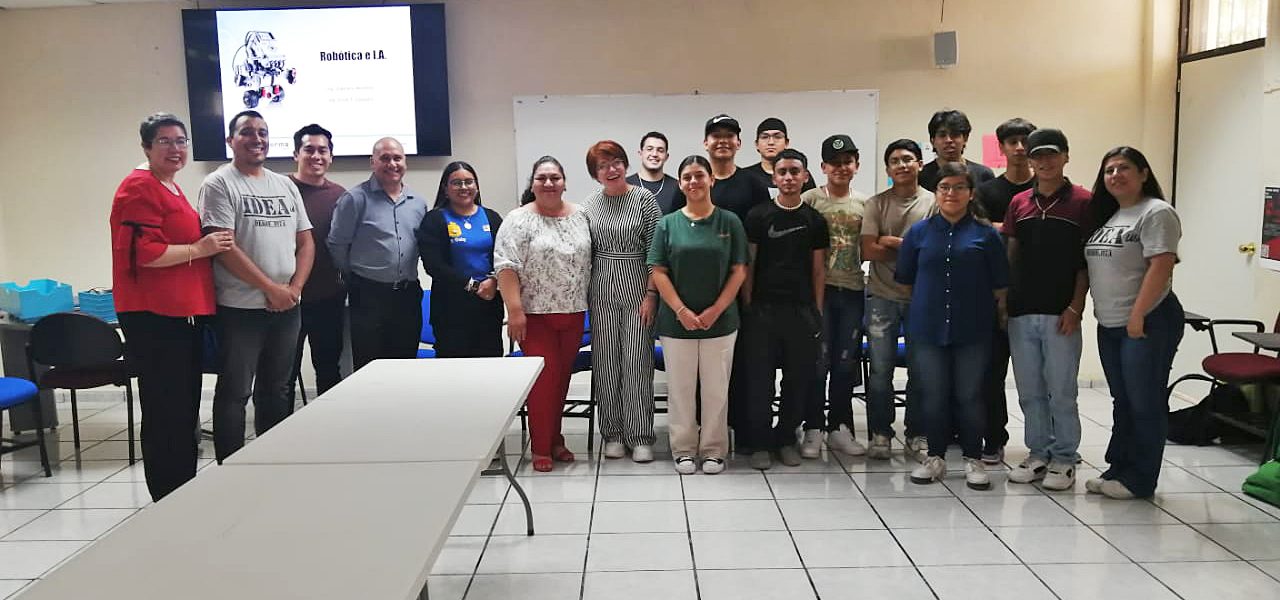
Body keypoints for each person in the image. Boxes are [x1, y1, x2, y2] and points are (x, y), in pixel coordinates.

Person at [111, 113, 234, 500]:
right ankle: (167, 493)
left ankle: (182, 488)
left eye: (181, 141)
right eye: (164, 141)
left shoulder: (170, 187)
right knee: (166, 410)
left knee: (182, 409)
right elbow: (142, 253)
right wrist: (200, 248)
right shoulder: (139, 187)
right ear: (146, 147)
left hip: (180, 315)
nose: (175, 148)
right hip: (154, 316)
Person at [199, 110, 314, 462]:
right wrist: (270, 288)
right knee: (235, 392)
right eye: (247, 132)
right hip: (240, 309)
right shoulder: (219, 184)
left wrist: (294, 288)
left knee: (277, 389)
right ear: (230, 140)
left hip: (288, 307)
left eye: (262, 132)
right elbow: (223, 247)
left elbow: (306, 242)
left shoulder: (284, 185)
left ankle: (270, 462)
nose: (257, 138)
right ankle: (231, 466)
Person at [898, 163, 1009, 490]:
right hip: (927, 328)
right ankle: (935, 457)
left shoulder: (986, 235)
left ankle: (973, 458)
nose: (951, 193)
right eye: (945, 187)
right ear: (936, 192)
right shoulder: (918, 233)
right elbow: (906, 281)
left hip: (973, 329)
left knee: (970, 395)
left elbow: (1000, 285)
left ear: (971, 193)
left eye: (959, 187)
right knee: (934, 395)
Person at [1084, 147, 1184, 499]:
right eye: (1109, 170)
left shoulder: (1156, 212)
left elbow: (1161, 265)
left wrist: (1138, 315)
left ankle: (1140, 480)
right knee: (1122, 400)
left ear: (1143, 173)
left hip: (1148, 320)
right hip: (1111, 323)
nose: (1115, 175)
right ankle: (1119, 469)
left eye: (1124, 168)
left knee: (1145, 401)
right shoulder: (1111, 215)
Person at [1003, 128, 1092, 491]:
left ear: (1066, 156)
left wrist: (1075, 307)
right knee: (1029, 391)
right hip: (1021, 311)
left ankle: (1065, 457)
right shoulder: (1019, 203)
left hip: (1061, 313)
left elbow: (1086, 263)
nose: (1045, 162)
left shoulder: (1084, 202)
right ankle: (1038, 452)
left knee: (1062, 390)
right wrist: (1004, 301)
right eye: (1037, 156)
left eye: (1052, 154)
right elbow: (1011, 254)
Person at [649, 155, 748, 475]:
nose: (694, 182)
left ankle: (714, 450)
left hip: (721, 322)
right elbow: (658, 271)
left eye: (699, 176)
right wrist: (681, 310)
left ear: (711, 180)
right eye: (687, 177)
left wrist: (715, 310)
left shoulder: (729, 222)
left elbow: (739, 270)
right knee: (680, 390)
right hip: (676, 323)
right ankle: (683, 449)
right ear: (680, 184)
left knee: (716, 390)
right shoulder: (668, 223)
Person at [495, 156, 592, 473]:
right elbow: (506, 267)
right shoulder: (517, 220)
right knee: (542, 383)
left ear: (564, 182)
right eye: (542, 178)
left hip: (573, 313)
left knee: (561, 380)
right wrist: (515, 311)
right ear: (533, 184)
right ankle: (540, 447)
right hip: (534, 317)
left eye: (554, 178)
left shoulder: (581, 215)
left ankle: (555, 439)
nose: (549, 183)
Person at [740, 149, 829, 470]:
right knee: (759, 381)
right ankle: (761, 443)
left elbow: (818, 271)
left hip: (801, 312)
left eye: (794, 171)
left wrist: (816, 312)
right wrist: (749, 307)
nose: (789, 177)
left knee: (797, 379)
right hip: (762, 311)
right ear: (774, 178)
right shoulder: (758, 216)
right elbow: (748, 266)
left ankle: (786, 439)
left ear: (805, 176)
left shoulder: (815, 220)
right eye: (783, 172)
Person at [582, 140, 662, 462]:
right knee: (605, 363)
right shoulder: (589, 205)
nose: (611, 169)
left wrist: (651, 294)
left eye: (615, 162)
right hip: (601, 288)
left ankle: (640, 434)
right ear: (595, 174)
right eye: (602, 166)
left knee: (637, 362)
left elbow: (657, 252)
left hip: (638, 286)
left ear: (625, 164)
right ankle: (612, 433)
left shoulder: (644, 200)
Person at [861, 139, 936, 461]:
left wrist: (891, 242)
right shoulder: (876, 204)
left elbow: (933, 251)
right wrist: (911, 246)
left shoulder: (934, 202)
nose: (902, 165)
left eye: (908, 159)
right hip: (881, 296)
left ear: (920, 163)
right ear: (888, 169)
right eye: (895, 161)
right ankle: (880, 433)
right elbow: (868, 250)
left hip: (922, 299)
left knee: (920, 370)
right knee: (880, 370)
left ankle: (917, 434)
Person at [328, 137, 428, 370]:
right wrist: (353, 277)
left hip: (407, 295)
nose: (392, 164)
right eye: (385, 158)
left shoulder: (418, 202)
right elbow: (337, 245)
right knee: (369, 366)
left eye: (397, 158)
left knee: (405, 364)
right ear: (373, 162)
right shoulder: (354, 199)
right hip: (368, 295)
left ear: (405, 162)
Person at [703, 113, 771, 453]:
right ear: (706, 143)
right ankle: (707, 434)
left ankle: (745, 433)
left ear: (739, 143)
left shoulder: (753, 185)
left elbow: (764, 236)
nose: (722, 141)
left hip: (745, 289)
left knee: (744, 364)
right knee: (707, 368)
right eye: (716, 135)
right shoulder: (696, 180)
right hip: (702, 289)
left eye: (729, 135)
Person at [973, 117, 1036, 464]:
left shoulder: (1045, 189)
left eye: (1025, 140)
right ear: (1001, 148)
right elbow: (982, 237)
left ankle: (1044, 445)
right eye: (1012, 142)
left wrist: (1004, 229)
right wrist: (1015, 229)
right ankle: (994, 439)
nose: (1020, 148)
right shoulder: (987, 192)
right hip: (991, 294)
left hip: (1036, 295)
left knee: (1037, 379)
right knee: (991, 374)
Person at [801, 134, 869, 457]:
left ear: (856, 165)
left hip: (852, 290)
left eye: (847, 162)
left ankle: (839, 427)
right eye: (835, 163)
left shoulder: (865, 203)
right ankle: (813, 427)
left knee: (845, 362)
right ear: (823, 167)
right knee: (818, 361)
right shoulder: (810, 200)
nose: (841, 168)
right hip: (819, 291)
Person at [418, 162, 505, 357]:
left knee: (491, 368)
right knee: (454, 370)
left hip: (488, 306)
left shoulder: (492, 218)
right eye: (456, 183)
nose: (463, 187)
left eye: (469, 182)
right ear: (445, 189)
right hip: (450, 310)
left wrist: (494, 280)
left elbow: (505, 258)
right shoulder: (434, 220)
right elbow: (434, 266)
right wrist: (473, 286)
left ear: (477, 186)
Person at [287, 124, 346, 404]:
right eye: (308, 150)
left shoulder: (341, 196)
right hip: (286, 298)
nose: (316, 156)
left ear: (331, 157)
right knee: (283, 373)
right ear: (295, 154)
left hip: (328, 297)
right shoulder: (281, 190)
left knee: (328, 368)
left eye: (322, 150)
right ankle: (277, 428)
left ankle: (329, 426)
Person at [918, 109, 995, 193]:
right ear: (932, 141)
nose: (948, 140)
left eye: (955, 135)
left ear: (965, 139)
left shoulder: (983, 174)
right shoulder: (921, 176)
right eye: (942, 135)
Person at [742, 117, 816, 197]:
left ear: (786, 143)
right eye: (764, 137)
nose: (771, 142)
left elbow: (811, 201)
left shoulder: (798, 173)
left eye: (777, 137)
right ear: (757, 144)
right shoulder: (745, 175)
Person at [626, 131, 686, 215]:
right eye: (649, 149)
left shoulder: (678, 187)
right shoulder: (625, 184)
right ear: (640, 154)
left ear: (666, 156)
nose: (654, 154)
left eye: (660, 150)